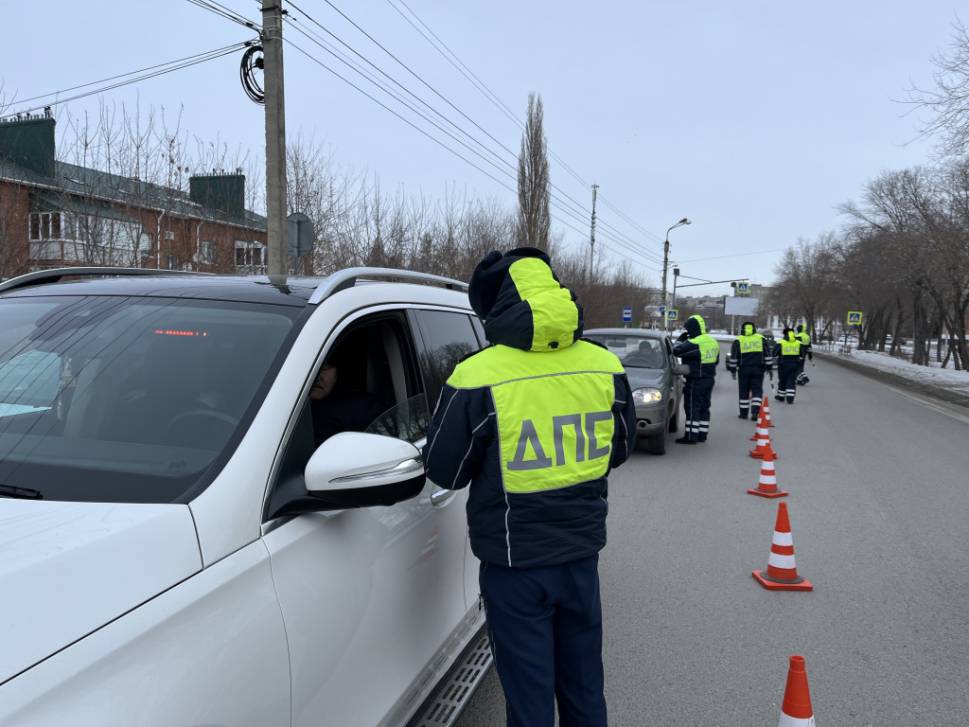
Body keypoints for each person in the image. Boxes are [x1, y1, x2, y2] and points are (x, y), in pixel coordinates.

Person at [422, 247, 637, 727]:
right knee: (584, 688)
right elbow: (618, 450)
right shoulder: (605, 366)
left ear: (495, 306)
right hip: (581, 559)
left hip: (514, 568)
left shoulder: (478, 374)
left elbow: (446, 471)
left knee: (529, 697)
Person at [309, 358, 386, 445]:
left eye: (324, 368)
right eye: (309, 368)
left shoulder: (363, 407)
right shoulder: (294, 408)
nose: (317, 377)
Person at [673, 314, 719, 443]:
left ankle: (691, 436)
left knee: (692, 407)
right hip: (709, 379)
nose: (687, 332)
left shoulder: (695, 343)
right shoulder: (713, 341)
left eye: (688, 330)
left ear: (692, 329)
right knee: (704, 407)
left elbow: (676, 351)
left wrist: (680, 340)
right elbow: (716, 361)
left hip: (696, 380)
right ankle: (702, 434)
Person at [725, 321, 767, 419]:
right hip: (758, 369)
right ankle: (755, 412)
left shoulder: (738, 340)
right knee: (757, 390)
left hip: (743, 370)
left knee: (744, 391)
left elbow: (734, 357)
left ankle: (743, 414)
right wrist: (768, 367)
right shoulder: (761, 339)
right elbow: (767, 355)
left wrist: (733, 370)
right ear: (754, 328)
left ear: (743, 329)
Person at [775, 327, 802, 404]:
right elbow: (802, 354)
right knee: (791, 381)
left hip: (783, 365)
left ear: (784, 334)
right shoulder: (798, 342)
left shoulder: (781, 342)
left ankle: (781, 397)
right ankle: (790, 399)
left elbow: (774, 353)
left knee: (782, 381)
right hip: (795, 365)